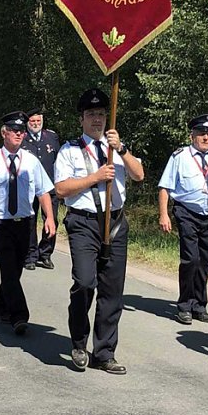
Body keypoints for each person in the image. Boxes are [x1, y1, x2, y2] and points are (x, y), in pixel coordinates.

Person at [54, 88, 144, 375]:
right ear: (81, 119)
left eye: (102, 114)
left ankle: (104, 353)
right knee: (84, 282)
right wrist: (94, 177)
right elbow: (61, 189)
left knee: (112, 290)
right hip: (83, 223)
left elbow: (139, 175)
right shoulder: (69, 150)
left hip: (115, 223)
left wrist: (122, 150)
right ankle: (79, 343)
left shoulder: (116, 148)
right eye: (91, 114)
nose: (97, 119)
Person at [0, 111, 55, 334]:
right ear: (4, 133)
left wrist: (49, 218)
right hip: (0, 223)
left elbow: (43, 192)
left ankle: (1, 304)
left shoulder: (31, 161)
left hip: (25, 222)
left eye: (21, 131)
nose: (19, 134)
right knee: (8, 267)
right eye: (14, 130)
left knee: (16, 269)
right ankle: (19, 316)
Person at [158, 114, 208, 324]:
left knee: (204, 262)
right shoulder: (180, 157)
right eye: (201, 133)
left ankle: (199, 306)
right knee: (191, 259)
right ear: (192, 135)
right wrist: (164, 214)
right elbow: (165, 187)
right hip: (186, 213)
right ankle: (185, 305)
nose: (205, 137)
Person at [21, 109, 60, 270]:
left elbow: (58, 160)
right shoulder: (22, 138)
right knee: (29, 222)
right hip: (28, 188)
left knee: (52, 220)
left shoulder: (52, 137)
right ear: (27, 123)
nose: (36, 124)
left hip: (49, 187)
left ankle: (45, 254)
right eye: (32, 121)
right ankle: (30, 255)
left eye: (38, 121)